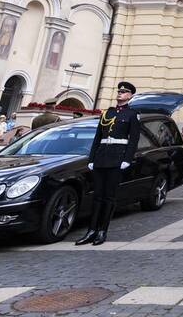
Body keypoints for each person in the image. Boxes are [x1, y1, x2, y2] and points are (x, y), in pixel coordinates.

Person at [75, 82, 142, 246]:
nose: (120, 94)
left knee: (109, 197)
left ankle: (102, 231)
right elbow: (98, 138)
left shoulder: (133, 114)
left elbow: (133, 139)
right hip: (101, 158)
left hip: (117, 159)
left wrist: (127, 159)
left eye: (124, 92)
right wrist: (91, 159)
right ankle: (91, 231)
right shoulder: (107, 113)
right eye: (119, 91)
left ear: (130, 96)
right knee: (97, 196)